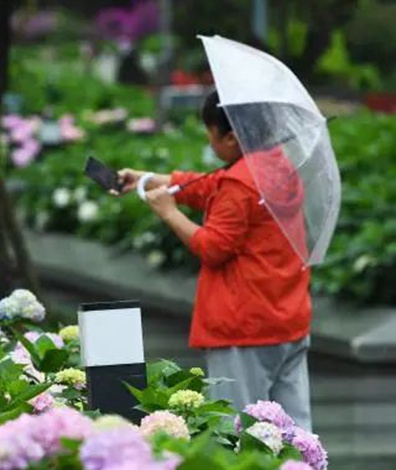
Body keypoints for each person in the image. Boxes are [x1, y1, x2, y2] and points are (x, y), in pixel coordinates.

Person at [110, 90, 313, 430]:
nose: (210, 142)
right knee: (295, 430)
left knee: (241, 429)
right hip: (286, 319)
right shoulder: (277, 166)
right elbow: (211, 187)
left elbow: (213, 246)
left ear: (231, 138)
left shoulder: (238, 183)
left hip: (244, 326)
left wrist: (169, 213)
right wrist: (147, 180)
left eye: (211, 134)